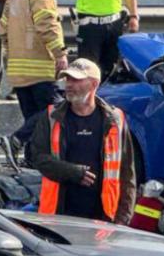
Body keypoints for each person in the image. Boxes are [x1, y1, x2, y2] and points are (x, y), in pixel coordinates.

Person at [28, 58, 136, 225]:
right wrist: (73, 172)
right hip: (59, 217)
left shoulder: (115, 120)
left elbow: (127, 174)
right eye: (67, 79)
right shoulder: (51, 116)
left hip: (103, 218)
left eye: (76, 80)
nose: (69, 84)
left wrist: (123, 219)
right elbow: (37, 157)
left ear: (94, 84)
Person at [0, 0, 68, 158]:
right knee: (56, 109)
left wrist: (11, 54)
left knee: (33, 118)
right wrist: (60, 54)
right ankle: (17, 139)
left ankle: (31, 159)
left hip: (18, 70)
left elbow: (2, 29)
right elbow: (47, 26)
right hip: (40, 68)